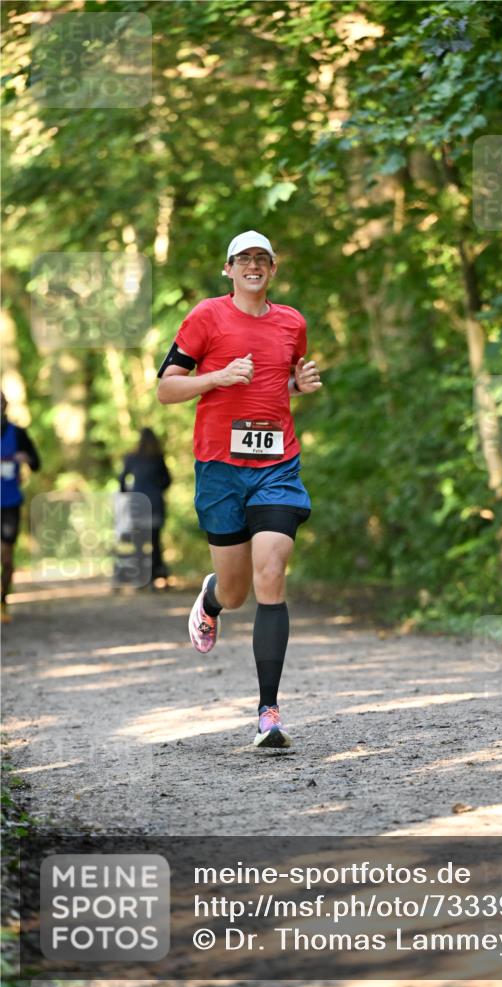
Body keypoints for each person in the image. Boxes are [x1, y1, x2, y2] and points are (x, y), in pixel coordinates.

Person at [156, 231, 321, 748]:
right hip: (220, 470)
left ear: (273, 269)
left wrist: (301, 385)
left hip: (277, 465)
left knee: (270, 574)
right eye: (244, 259)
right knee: (236, 591)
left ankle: (268, 712)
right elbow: (165, 389)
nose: (254, 266)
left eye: (262, 259)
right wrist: (218, 377)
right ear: (229, 269)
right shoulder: (206, 317)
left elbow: (278, 381)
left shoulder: (292, 322)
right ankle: (210, 598)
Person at [1, 391, 41, 623]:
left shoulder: (18, 433)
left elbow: (37, 463)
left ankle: (2, 601)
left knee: (5, 557)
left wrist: (25, 458)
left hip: (9, 503)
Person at [119, 428, 172, 586]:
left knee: (139, 541)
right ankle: (156, 573)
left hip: (138, 504)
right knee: (155, 540)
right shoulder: (157, 457)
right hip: (155, 502)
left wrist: (129, 493)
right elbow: (168, 480)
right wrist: (157, 488)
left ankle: (141, 576)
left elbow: (122, 479)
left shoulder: (132, 457)